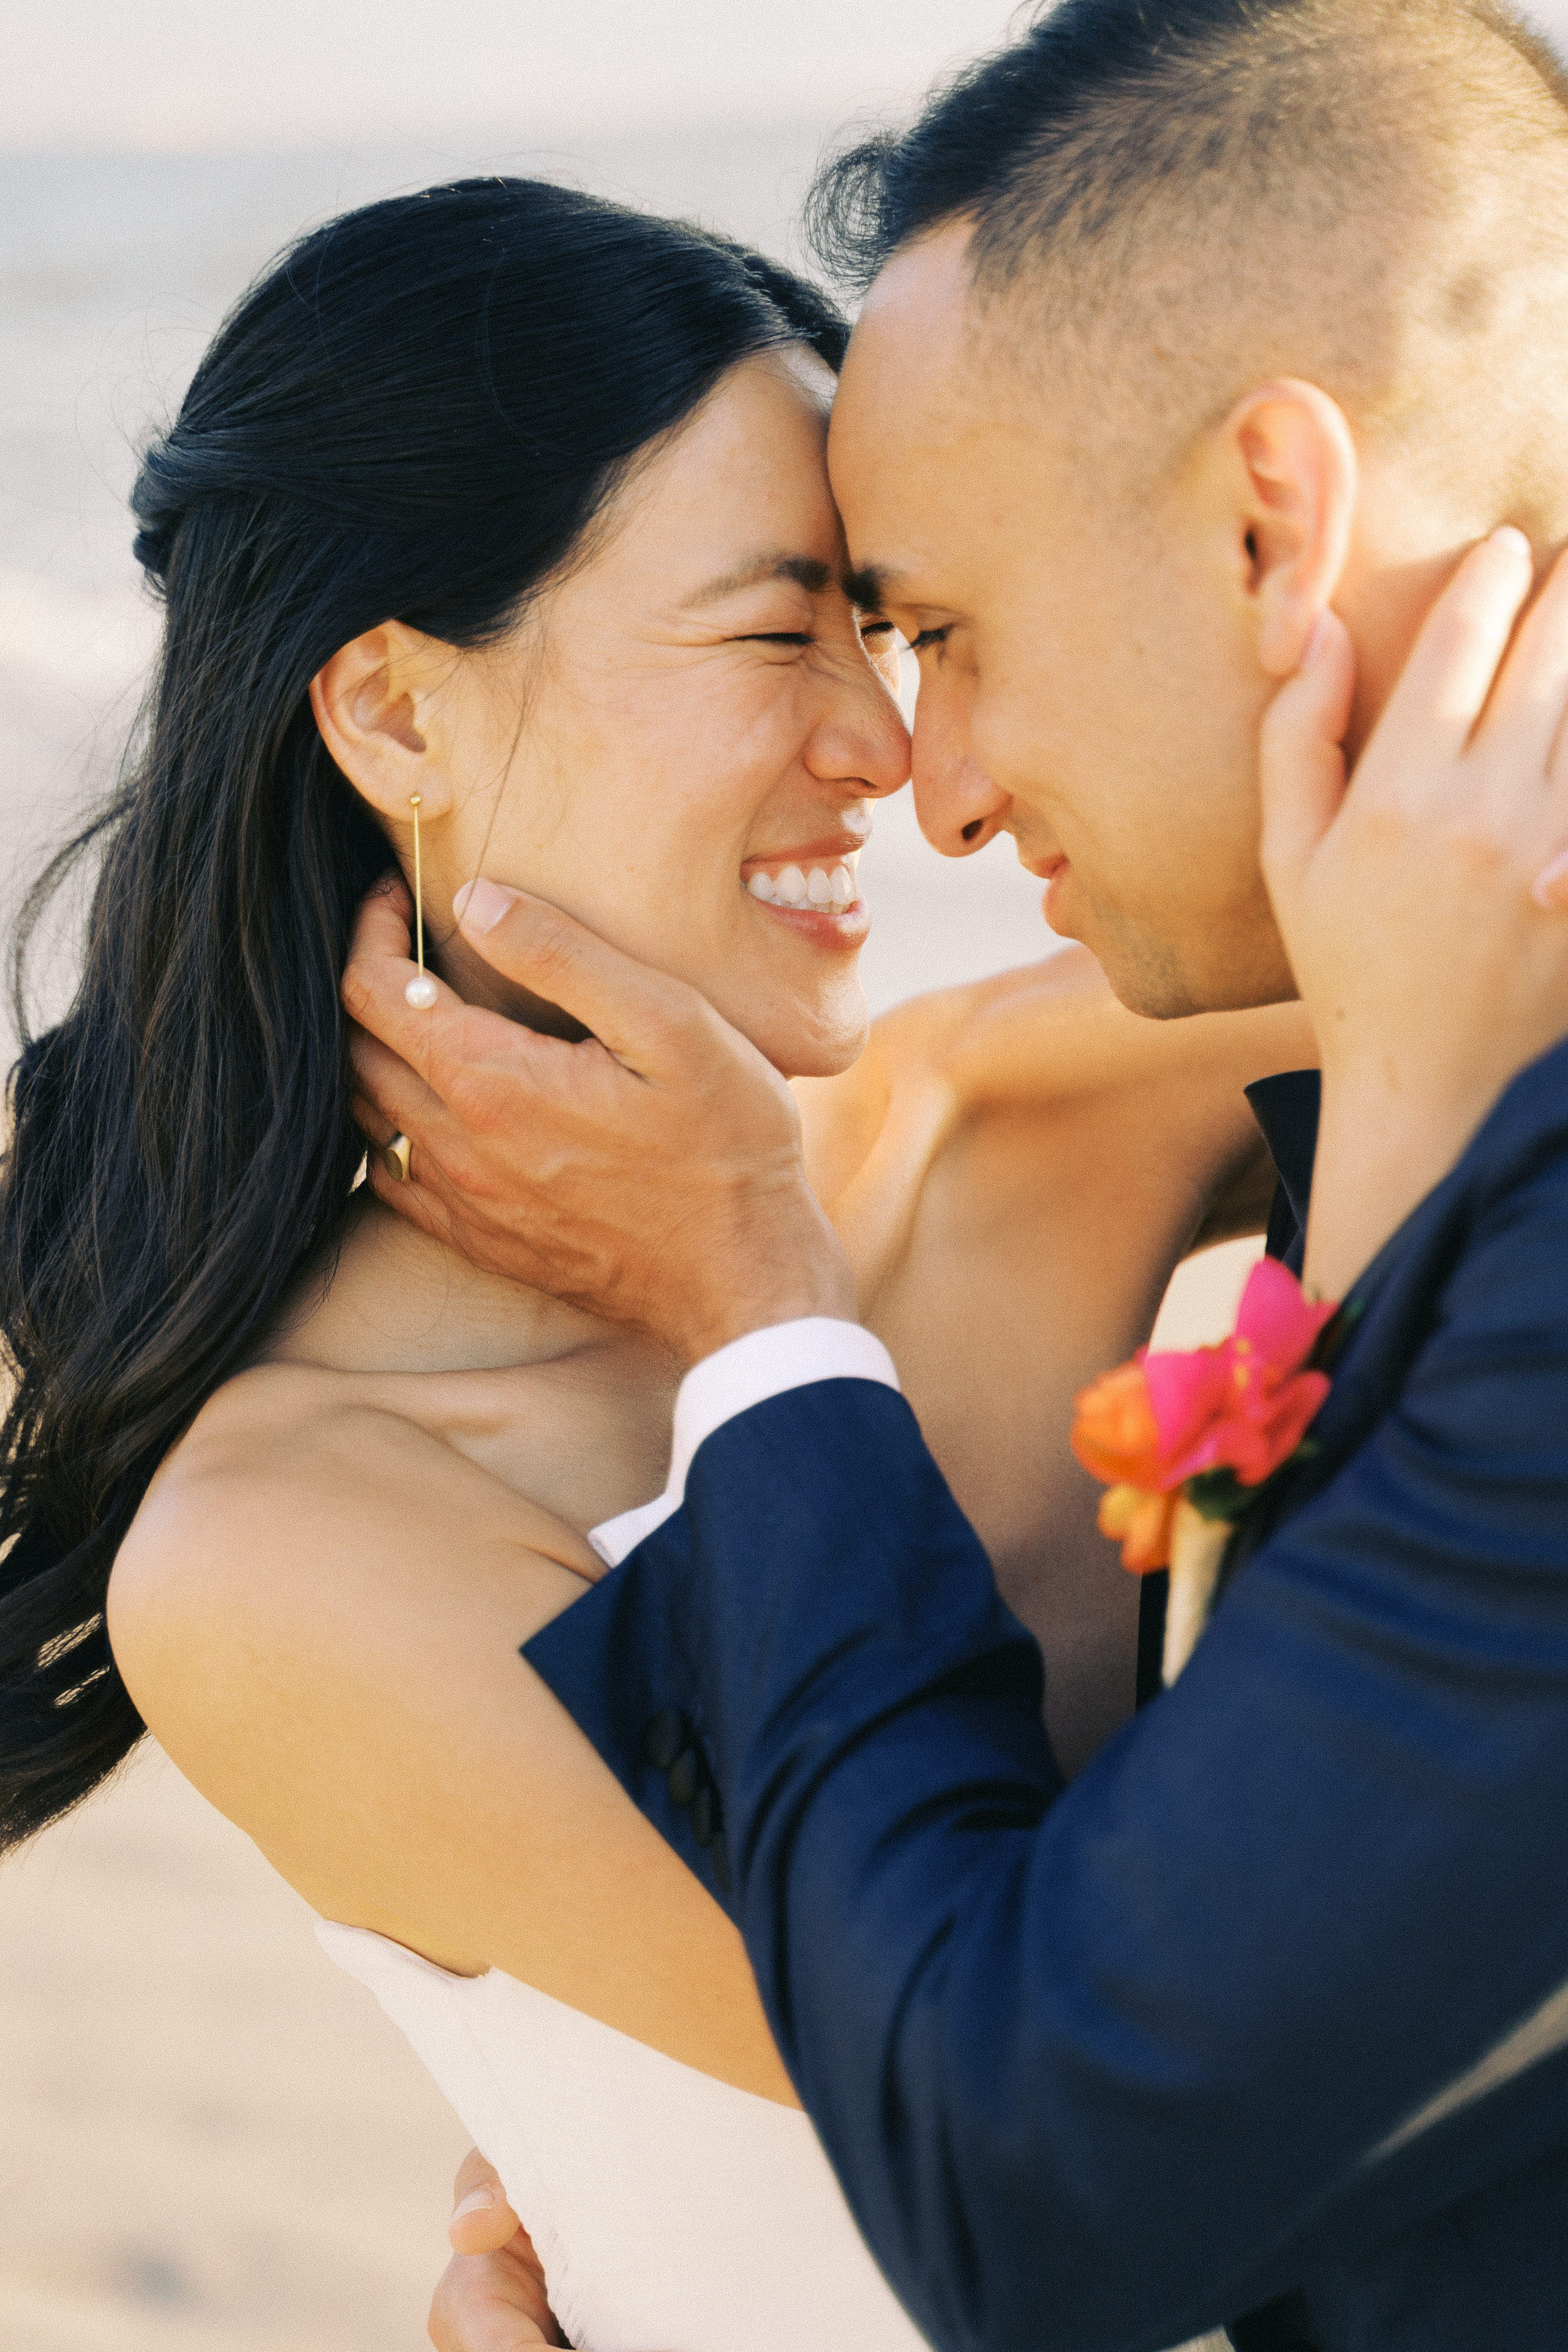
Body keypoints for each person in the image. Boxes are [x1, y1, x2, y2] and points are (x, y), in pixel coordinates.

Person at [343, 6, 1568, 2350]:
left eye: (939, 628)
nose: (942, 784)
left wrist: (759, 1320)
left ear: (1267, 523)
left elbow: (1048, 2183)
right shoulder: (1389, 1090)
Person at [0, 175, 1316, 2351]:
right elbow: (1048, 2123)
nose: (894, 750)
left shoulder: (1012, 1133)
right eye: (770, 630)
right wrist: (755, 1302)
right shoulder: (294, 1551)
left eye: (884, 630)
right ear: (396, 716)